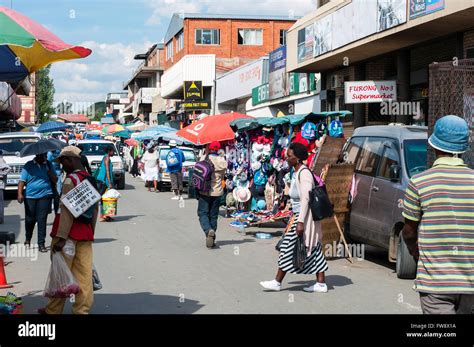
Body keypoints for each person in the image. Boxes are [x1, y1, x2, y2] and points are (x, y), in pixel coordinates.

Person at [402, 115, 473, 314]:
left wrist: (414, 250)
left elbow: (408, 232)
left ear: (434, 147)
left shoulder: (419, 182)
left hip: (435, 283)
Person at [260, 142, 328, 292]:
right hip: (299, 216)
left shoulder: (303, 173)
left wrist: (301, 222)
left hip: (303, 218)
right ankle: (321, 283)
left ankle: (277, 282)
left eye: (289, 156)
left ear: (297, 158)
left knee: (287, 247)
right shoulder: (297, 172)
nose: (286, 158)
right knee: (314, 248)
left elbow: (305, 198)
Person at [41, 146, 98, 314]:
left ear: (70, 160)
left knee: (60, 276)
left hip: (67, 236)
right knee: (85, 277)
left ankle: (52, 311)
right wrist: (91, 232)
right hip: (85, 235)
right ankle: (82, 311)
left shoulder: (70, 180)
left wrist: (61, 238)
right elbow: (95, 210)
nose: (62, 166)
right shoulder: (89, 179)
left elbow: (66, 212)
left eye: (63, 162)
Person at [18, 153, 58, 253]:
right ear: (36, 155)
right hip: (30, 196)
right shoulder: (29, 165)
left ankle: (41, 243)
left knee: (42, 219)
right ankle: (28, 239)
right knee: (30, 219)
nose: (43, 157)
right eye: (41, 156)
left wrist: (49, 172)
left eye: (44, 155)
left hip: (45, 195)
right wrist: (19, 194)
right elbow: (22, 180)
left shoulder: (48, 164)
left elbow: (55, 179)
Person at [197, 141, 227, 248]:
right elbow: (223, 177)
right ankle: (212, 238)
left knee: (202, 213)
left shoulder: (204, 159)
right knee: (213, 216)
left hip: (204, 191)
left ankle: (208, 230)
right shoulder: (222, 161)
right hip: (217, 191)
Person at [95, 146, 115, 222]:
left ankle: (107, 215)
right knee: (105, 199)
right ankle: (103, 216)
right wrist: (109, 182)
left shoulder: (105, 157)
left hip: (104, 180)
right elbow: (107, 170)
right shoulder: (107, 158)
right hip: (104, 181)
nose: (114, 152)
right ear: (109, 151)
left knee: (107, 198)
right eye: (113, 151)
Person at [47, 150, 62, 215]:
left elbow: (48, 163)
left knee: (53, 193)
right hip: (57, 173)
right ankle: (56, 211)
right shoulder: (59, 152)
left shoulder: (49, 153)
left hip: (51, 174)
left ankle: (52, 209)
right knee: (57, 192)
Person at [0, 150, 10, 224]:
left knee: (0, 203)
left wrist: (2, 174)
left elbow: (8, 168)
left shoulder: (1, 160)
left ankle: (0, 219)